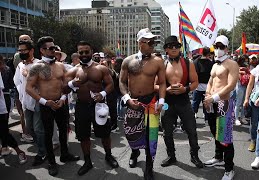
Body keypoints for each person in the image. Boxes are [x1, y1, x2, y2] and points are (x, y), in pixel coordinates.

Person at [26, 36, 79, 176]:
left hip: (61, 103)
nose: (53, 50)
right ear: (42, 50)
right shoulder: (37, 67)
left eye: (54, 47)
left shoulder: (60, 65)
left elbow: (64, 85)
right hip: (46, 105)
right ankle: (51, 162)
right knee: (48, 134)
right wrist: (45, 102)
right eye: (50, 48)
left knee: (63, 130)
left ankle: (65, 154)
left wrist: (62, 98)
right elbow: (29, 88)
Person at [65, 41, 118, 176]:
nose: (83, 54)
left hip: (98, 106)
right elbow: (63, 88)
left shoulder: (101, 69)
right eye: (80, 52)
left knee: (105, 133)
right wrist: (72, 83)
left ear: (91, 51)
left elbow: (110, 85)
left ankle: (109, 155)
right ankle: (87, 161)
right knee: (84, 136)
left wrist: (102, 94)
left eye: (86, 52)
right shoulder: (73, 70)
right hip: (82, 106)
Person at [119, 28, 166, 180]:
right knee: (130, 132)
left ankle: (149, 167)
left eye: (153, 42)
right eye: (149, 42)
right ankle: (134, 151)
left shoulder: (158, 61)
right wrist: (127, 99)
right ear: (140, 43)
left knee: (151, 136)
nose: (152, 45)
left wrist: (162, 101)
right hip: (133, 102)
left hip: (151, 102)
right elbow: (121, 81)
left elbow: (163, 83)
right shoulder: (128, 61)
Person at [159, 35, 203, 169]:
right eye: (170, 46)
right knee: (167, 132)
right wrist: (166, 89)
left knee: (191, 130)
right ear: (166, 49)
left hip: (184, 101)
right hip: (168, 102)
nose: (174, 48)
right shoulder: (161, 64)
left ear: (180, 48)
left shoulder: (188, 62)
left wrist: (185, 89)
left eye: (176, 46)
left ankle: (194, 156)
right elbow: (155, 85)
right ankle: (171, 156)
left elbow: (195, 82)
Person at [203, 35, 239, 180]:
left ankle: (229, 169)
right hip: (211, 103)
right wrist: (207, 95)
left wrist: (215, 97)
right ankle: (218, 157)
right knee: (214, 132)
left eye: (221, 47)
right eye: (216, 46)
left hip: (224, 103)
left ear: (226, 48)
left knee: (225, 137)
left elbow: (231, 85)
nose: (218, 49)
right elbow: (210, 81)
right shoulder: (215, 64)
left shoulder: (232, 64)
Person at [13, 40, 46, 166]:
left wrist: (28, 76)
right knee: (30, 129)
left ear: (31, 50)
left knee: (38, 129)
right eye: (19, 50)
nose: (21, 53)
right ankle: (41, 146)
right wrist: (21, 96)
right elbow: (17, 81)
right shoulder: (20, 65)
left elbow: (45, 83)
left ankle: (42, 152)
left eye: (23, 50)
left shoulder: (39, 64)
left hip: (38, 100)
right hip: (26, 101)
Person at [0, 56, 27, 164]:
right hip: (5, 100)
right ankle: (5, 148)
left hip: (2, 106)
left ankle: (19, 151)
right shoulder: (6, 69)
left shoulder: (5, 70)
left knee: (3, 130)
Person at [13, 34, 34, 143]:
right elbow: (17, 78)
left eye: (25, 40)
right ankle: (26, 132)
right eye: (21, 41)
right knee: (24, 113)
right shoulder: (19, 58)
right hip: (22, 92)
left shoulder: (37, 60)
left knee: (38, 124)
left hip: (36, 96)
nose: (22, 52)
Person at [192, 46, 214, 124]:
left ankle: (193, 115)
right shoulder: (211, 63)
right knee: (206, 102)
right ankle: (206, 117)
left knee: (195, 102)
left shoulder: (195, 62)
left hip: (197, 86)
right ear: (208, 53)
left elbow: (193, 74)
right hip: (207, 86)